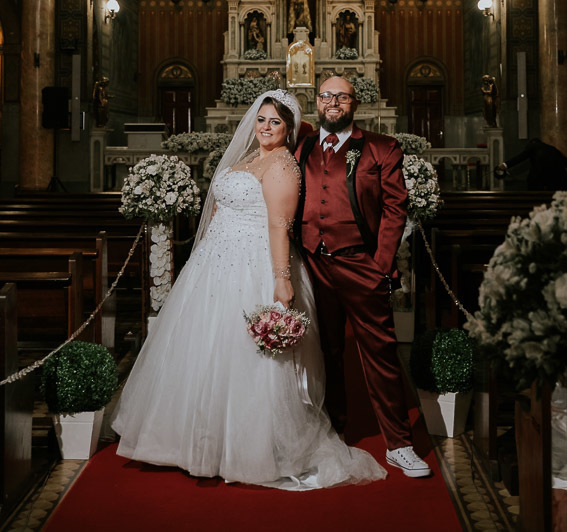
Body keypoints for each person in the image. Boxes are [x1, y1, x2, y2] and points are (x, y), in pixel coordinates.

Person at [112, 90, 385, 489]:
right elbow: (223, 205)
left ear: (289, 129)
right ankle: (193, 440)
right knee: (203, 349)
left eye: (275, 122)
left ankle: (250, 447)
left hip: (254, 265)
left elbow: (279, 226)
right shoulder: (247, 159)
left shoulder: (282, 167)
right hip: (214, 264)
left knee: (248, 359)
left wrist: (281, 278)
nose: (266, 128)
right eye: (261, 120)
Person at [294, 76, 432, 479]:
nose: (332, 103)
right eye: (326, 96)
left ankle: (399, 444)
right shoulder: (301, 146)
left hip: (361, 263)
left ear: (354, 103)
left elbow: (395, 208)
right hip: (313, 264)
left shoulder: (381, 148)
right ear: (316, 102)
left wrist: (381, 264)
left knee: (381, 354)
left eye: (341, 96)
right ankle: (335, 432)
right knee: (326, 354)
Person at [495, 138, 567, 191]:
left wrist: (504, 165)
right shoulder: (552, 149)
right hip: (559, 183)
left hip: (539, 183)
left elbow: (520, 157)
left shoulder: (532, 146)